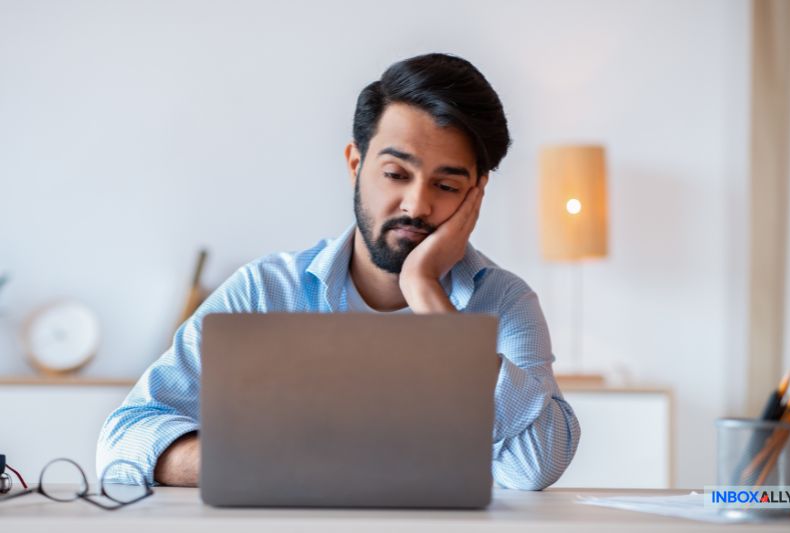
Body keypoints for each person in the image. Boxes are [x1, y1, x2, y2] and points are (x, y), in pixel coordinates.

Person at [97, 53, 580, 491]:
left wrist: (429, 297)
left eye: (447, 185)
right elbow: (123, 440)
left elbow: (533, 465)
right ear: (355, 163)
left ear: (476, 193)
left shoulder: (505, 302)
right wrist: (265, 462)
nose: (417, 204)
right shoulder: (265, 291)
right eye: (396, 175)